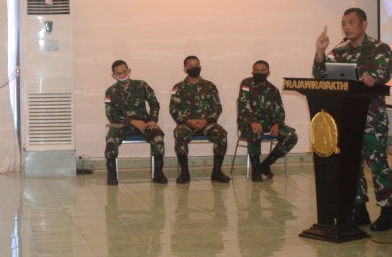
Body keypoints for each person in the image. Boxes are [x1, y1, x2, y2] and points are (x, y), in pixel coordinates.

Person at [314, 8, 392, 231]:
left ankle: (388, 211)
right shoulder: (340, 51)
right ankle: (359, 209)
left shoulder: (379, 48)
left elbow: (385, 72)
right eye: (343, 23)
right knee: (353, 165)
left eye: (351, 22)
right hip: (346, 118)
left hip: (372, 118)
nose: (347, 27)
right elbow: (319, 75)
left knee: (377, 163)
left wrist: (373, 79)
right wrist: (320, 51)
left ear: (364, 24)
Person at [168, 55, 229, 184]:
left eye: (197, 65)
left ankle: (217, 172)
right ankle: (185, 173)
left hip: (207, 123)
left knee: (222, 134)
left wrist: (206, 120)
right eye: (191, 66)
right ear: (185, 69)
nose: (194, 68)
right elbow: (173, 109)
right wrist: (187, 121)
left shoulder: (210, 86)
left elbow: (217, 107)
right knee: (179, 134)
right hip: (186, 124)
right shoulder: (178, 87)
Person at [103, 60, 166, 185]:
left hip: (144, 123)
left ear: (129, 71)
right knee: (110, 142)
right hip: (122, 124)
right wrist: (131, 121)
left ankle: (158, 173)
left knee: (158, 138)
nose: (122, 75)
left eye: (124, 71)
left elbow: (154, 104)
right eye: (118, 73)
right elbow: (111, 114)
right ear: (113, 76)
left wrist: (153, 120)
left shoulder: (142, 85)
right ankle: (112, 175)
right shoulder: (109, 92)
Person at [236, 60, 298, 181]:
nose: (259, 73)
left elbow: (279, 110)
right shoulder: (246, 84)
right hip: (249, 122)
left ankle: (265, 165)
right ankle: (256, 169)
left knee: (291, 136)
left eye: (262, 70)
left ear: (268, 72)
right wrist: (252, 122)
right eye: (256, 70)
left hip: (269, 123)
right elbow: (243, 105)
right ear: (252, 72)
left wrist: (277, 124)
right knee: (255, 133)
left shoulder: (273, 89)